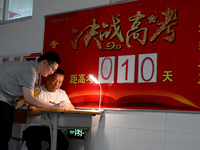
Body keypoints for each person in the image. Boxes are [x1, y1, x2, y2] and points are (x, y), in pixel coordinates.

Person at [0, 51, 66, 150]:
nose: (52, 72)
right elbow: (30, 99)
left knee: (4, 137)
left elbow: (24, 95)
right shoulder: (30, 70)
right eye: (52, 69)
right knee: (2, 137)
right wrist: (53, 106)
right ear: (44, 62)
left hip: (7, 102)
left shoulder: (31, 70)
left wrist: (23, 98)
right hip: (2, 101)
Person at [23, 68, 75, 150]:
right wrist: (50, 108)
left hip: (52, 128)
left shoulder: (62, 93)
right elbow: (30, 112)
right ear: (48, 78)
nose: (56, 84)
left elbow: (71, 107)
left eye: (60, 82)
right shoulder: (37, 91)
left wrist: (61, 104)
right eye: (55, 80)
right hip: (34, 126)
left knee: (63, 144)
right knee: (34, 144)